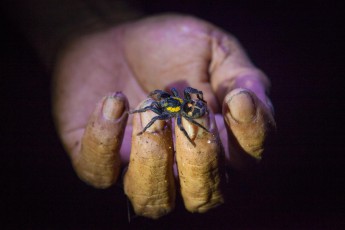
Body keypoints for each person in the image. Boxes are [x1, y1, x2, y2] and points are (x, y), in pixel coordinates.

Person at [5, 0, 275, 219]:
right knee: (156, 123)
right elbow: (160, 104)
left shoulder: (183, 103)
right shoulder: (163, 104)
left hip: (178, 108)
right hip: (169, 108)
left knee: (186, 127)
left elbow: (187, 105)